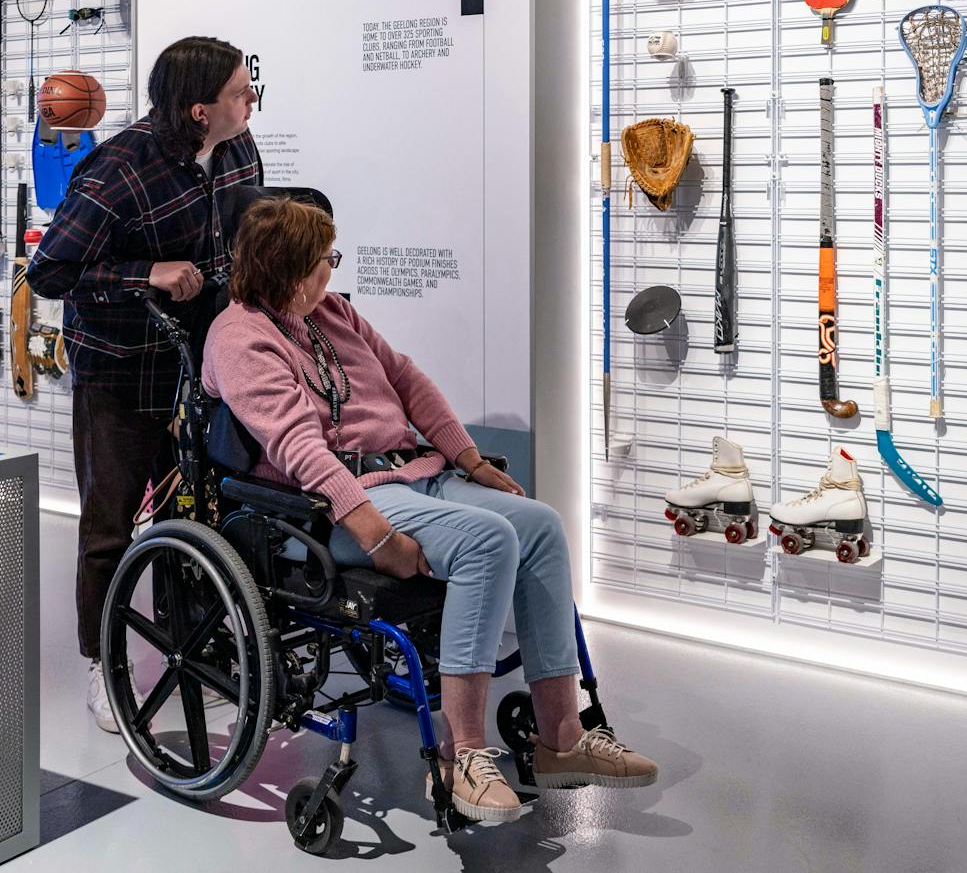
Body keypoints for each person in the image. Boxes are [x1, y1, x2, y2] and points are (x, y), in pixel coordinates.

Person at [203, 199, 656, 824]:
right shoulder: (239, 339)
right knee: (488, 540)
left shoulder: (330, 314)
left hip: (411, 472)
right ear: (287, 271)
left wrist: (470, 461)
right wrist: (372, 531)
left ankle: (563, 737)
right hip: (329, 509)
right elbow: (299, 448)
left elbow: (408, 381)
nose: (331, 272)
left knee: (542, 525)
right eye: (322, 262)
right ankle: (462, 755)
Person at [27, 35, 262, 732]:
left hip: (206, 371)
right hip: (120, 374)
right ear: (199, 110)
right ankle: (106, 669)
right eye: (239, 93)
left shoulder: (240, 149)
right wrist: (145, 274)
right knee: (109, 528)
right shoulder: (117, 170)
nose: (251, 101)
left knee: (193, 519)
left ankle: (189, 650)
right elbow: (49, 275)